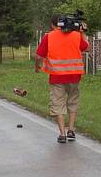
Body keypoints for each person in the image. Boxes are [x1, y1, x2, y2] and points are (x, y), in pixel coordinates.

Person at [34, 14, 89, 143]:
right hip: (75, 76)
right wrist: (82, 32)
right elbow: (87, 48)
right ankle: (71, 130)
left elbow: (38, 56)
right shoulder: (76, 35)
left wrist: (37, 67)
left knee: (58, 104)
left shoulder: (49, 37)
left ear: (54, 24)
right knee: (72, 102)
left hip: (57, 77)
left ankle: (62, 134)